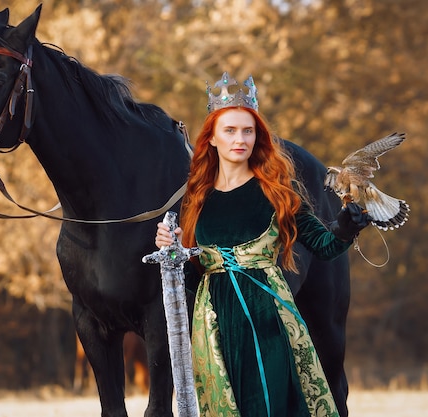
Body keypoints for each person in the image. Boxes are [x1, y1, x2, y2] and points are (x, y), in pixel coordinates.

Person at [153, 72, 370, 417]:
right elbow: (193, 278)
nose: (240, 139)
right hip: (213, 331)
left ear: (258, 137)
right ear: (210, 139)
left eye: (248, 131)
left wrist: (345, 228)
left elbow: (326, 246)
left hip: (269, 321)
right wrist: (173, 252)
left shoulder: (278, 193)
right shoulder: (196, 200)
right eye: (230, 130)